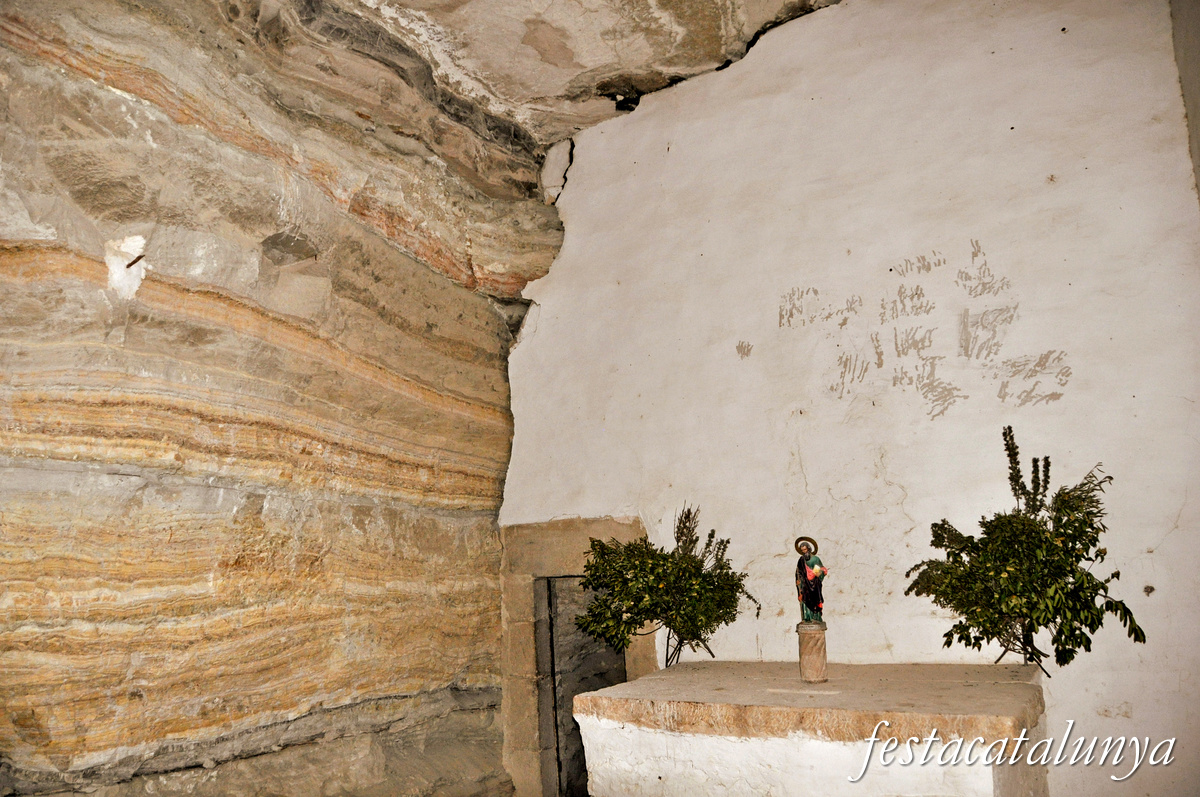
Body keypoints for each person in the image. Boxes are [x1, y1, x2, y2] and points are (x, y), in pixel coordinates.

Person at [795, 537, 828, 623]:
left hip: (815, 584)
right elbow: (798, 571)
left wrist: (817, 573)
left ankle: (816, 617)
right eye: (802, 550)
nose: (804, 552)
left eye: (805, 550)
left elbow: (820, 569)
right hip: (805, 584)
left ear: (809, 549)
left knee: (815, 600)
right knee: (805, 600)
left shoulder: (815, 559)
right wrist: (799, 580)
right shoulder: (801, 560)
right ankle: (807, 618)